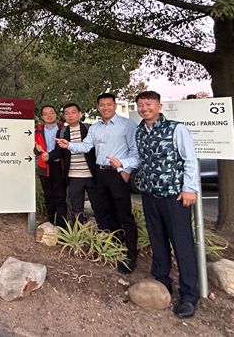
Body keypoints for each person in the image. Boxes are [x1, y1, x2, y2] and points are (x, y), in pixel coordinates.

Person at [134, 90, 200, 319]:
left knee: (182, 244)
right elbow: (140, 159)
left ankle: (189, 295)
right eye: (141, 105)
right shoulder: (140, 132)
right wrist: (121, 164)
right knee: (157, 240)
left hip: (175, 196)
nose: (144, 108)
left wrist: (189, 188)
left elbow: (190, 159)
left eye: (149, 104)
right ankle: (162, 280)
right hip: (150, 194)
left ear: (159, 106)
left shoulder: (176, 129)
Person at [56, 93, 139, 274]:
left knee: (124, 214)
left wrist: (124, 168)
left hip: (118, 174)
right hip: (100, 174)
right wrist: (68, 145)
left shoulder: (127, 125)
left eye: (109, 104)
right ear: (98, 107)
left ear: (114, 105)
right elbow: (86, 146)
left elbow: (136, 152)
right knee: (106, 213)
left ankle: (131, 255)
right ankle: (115, 248)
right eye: (102, 105)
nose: (105, 107)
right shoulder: (95, 127)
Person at [57, 103, 97, 225]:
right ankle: (77, 232)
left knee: (99, 205)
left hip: (92, 176)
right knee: (76, 209)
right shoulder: (62, 132)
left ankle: (103, 231)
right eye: (67, 113)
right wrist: (47, 156)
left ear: (80, 114)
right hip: (74, 176)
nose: (70, 115)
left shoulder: (90, 129)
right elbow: (58, 152)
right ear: (64, 116)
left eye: (73, 112)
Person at [34, 105, 66, 228]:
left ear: (56, 114)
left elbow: (64, 149)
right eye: (46, 113)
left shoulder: (63, 129)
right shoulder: (38, 130)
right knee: (48, 196)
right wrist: (37, 150)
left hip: (59, 165)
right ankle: (51, 222)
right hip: (44, 166)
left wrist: (50, 156)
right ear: (42, 117)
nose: (49, 115)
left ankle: (61, 226)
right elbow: (35, 149)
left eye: (51, 112)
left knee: (60, 196)